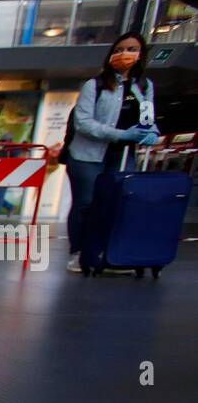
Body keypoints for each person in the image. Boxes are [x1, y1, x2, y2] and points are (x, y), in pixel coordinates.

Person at [64, 32, 159, 273]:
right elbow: (82, 122)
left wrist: (151, 132)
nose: (124, 54)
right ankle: (79, 252)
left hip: (123, 154)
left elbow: (147, 118)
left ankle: (109, 253)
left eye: (131, 49)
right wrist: (120, 135)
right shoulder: (95, 85)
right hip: (88, 154)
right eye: (119, 50)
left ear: (141, 55)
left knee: (119, 203)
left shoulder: (144, 87)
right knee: (85, 203)